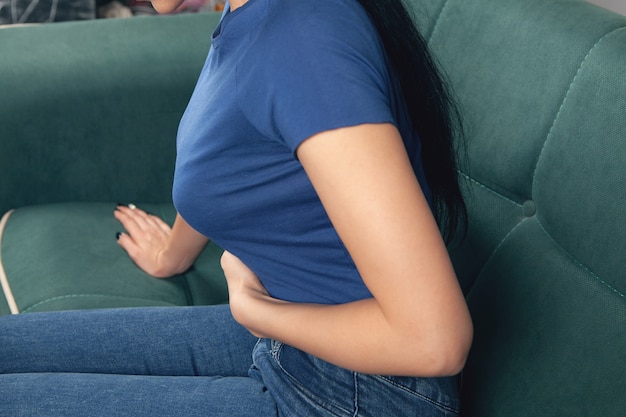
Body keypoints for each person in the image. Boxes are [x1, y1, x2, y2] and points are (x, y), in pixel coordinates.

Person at [0, 0, 473, 415]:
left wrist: (254, 312)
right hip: (301, 342)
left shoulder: (306, 42)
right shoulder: (251, 13)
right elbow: (231, 152)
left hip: (360, 393)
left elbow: (434, 341)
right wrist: (173, 253)